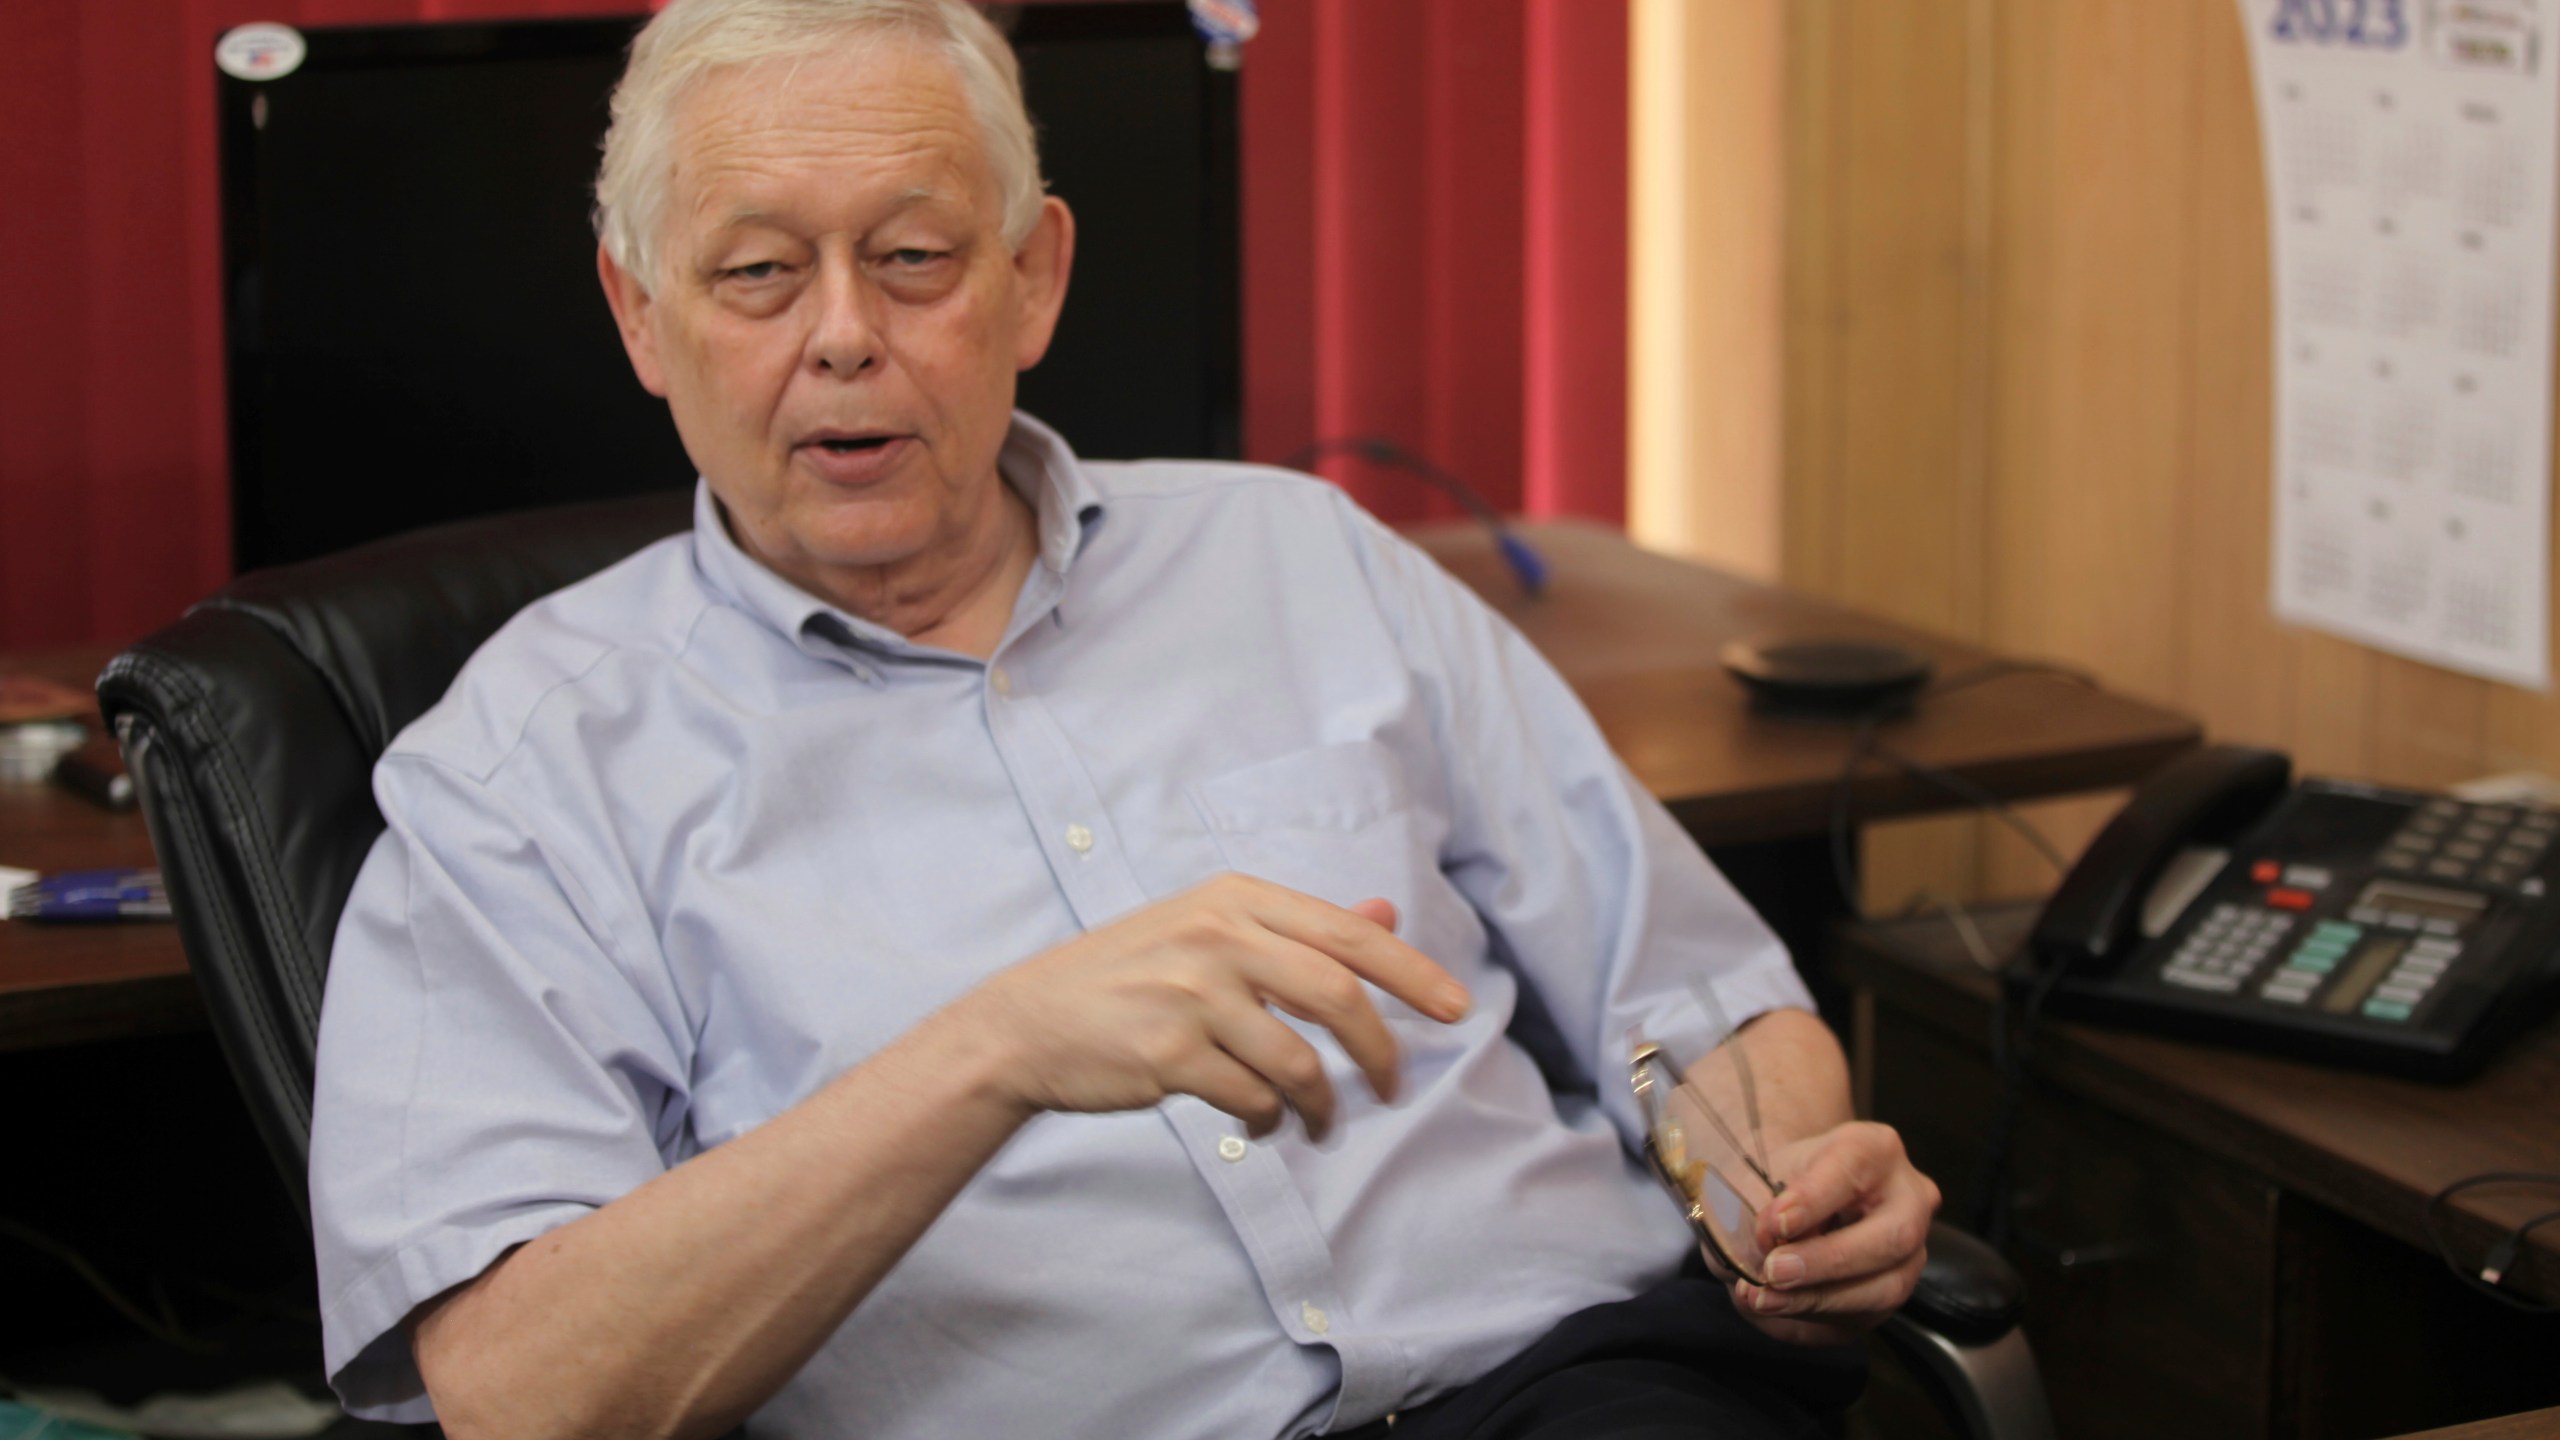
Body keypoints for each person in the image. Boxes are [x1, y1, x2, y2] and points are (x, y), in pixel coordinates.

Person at [306, 1, 1940, 1436]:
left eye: (914, 256)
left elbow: (1697, 996)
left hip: (1567, 1382)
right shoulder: (520, 771)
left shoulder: (1306, 561)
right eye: (755, 274)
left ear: (1033, 281)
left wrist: (1784, 1192)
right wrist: (993, 1054)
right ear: (640, 316)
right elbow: (524, 1394)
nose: (846, 334)